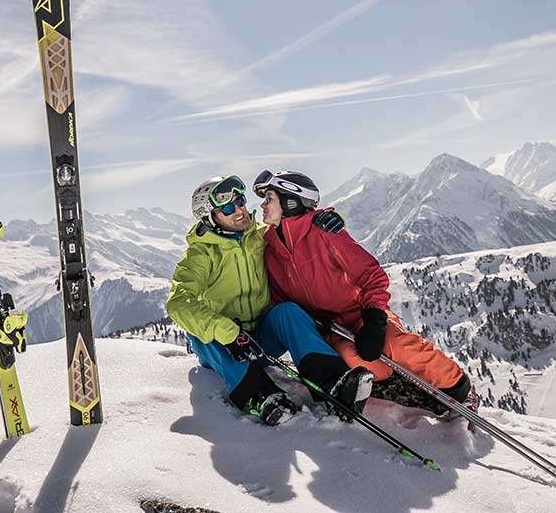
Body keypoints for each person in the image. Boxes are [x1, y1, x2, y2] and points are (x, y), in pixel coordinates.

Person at [254, 169, 479, 416]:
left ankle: (461, 389)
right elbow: (282, 300)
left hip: (362, 314)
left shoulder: (325, 232)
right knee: (356, 360)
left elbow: (371, 274)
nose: (263, 205)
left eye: (269, 199)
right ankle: (408, 392)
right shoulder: (270, 250)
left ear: (290, 201)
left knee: (396, 346)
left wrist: (374, 320)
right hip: (331, 329)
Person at [166, 174, 373, 426]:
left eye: (240, 201)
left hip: (261, 342)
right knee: (199, 335)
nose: (240, 211)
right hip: (226, 348)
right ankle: (259, 396)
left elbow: (295, 229)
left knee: (288, 312)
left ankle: (332, 383)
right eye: (228, 208)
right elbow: (178, 302)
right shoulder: (201, 254)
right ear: (211, 218)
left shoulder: (260, 236)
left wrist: (324, 221)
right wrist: (228, 333)